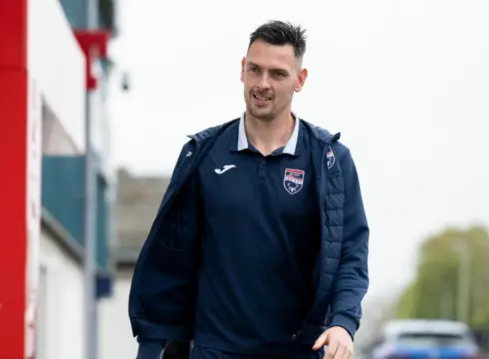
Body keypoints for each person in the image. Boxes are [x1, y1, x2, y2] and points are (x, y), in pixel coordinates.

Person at [129, 20, 370, 359]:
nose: (263, 84)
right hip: (215, 350)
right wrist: (153, 344)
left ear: (300, 80)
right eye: (255, 70)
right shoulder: (203, 154)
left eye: (278, 74)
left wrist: (344, 322)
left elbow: (350, 251)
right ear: (242, 69)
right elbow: (172, 257)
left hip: (297, 350)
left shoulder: (329, 161)